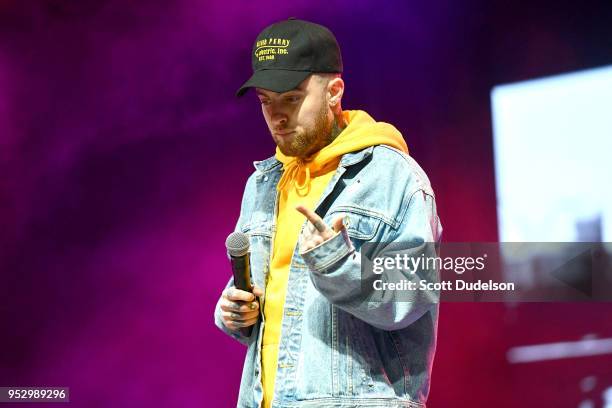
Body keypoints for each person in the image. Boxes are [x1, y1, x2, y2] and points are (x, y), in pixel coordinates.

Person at [214, 18, 443, 408]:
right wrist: (234, 312)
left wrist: (337, 264)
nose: (277, 116)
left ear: (334, 91)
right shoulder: (264, 183)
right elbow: (279, 310)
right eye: (266, 101)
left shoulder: (390, 175)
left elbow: (413, 294)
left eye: (291, 97)